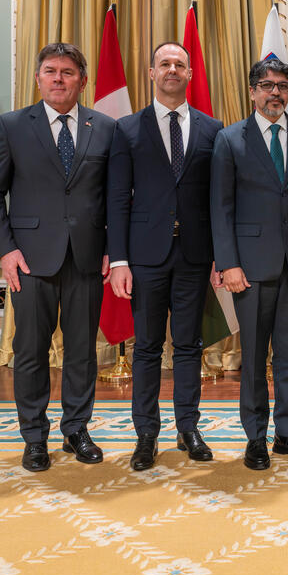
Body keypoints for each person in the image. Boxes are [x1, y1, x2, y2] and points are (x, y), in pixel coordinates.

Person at [0, 43, 116, 472]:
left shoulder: (106, 127)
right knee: (32, 351)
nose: (59, 78)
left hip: (89, 259)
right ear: (38, 78)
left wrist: (115, 249)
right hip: (30, 261)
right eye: (51, 71)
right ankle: (34, 437)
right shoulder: (13, 125)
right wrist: (6, 250)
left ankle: (76, 429)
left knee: (81, 352)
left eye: (68, 72)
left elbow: (115, 195)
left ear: (83, 80)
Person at [210, 56, 288, 470]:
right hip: (250, 267)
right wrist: (228, 263)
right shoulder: (229, 140)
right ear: (253, 91)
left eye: (282, 85)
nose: (275, 91)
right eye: (267, 85)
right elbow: (221, 208)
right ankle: (255, 437)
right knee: (254, 358)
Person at [107, 42, 223, 471]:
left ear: (190, 74)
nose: (172, 69)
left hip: (195, 256)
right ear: (151, 72)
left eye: (180, 64)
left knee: (190, 346)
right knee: (148, 348)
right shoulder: (127, 129)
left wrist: (220, 257)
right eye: (164, 64)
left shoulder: (214, 130)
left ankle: (188, 428)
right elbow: (117, 199)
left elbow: (218, 200)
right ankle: (146, 434)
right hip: (144, 257)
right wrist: (118, 259)